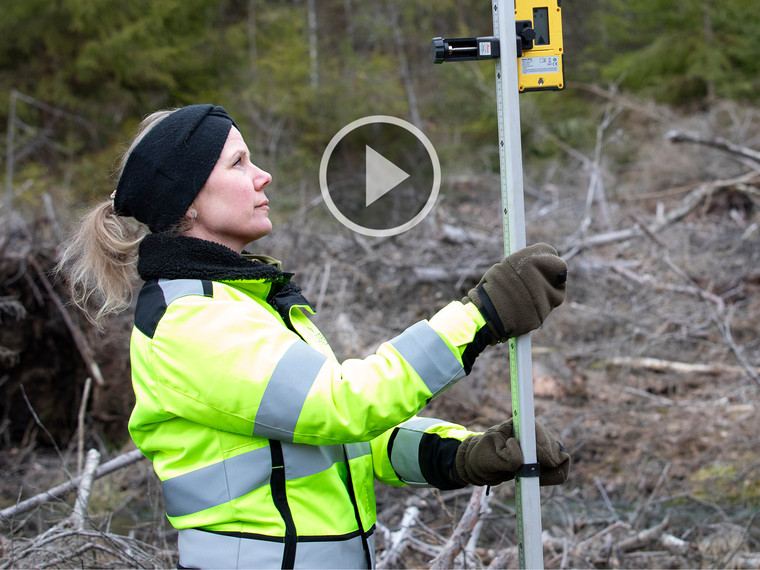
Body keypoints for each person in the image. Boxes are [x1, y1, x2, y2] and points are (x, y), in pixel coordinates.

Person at [58, 104, 571, 569]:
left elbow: (341, 441)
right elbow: (343, 403)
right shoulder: (191, 322)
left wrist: (462, 454)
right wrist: (480, 317)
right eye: (238, 164)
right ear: (187, 200)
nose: (263, 177)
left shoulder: (246, 302)